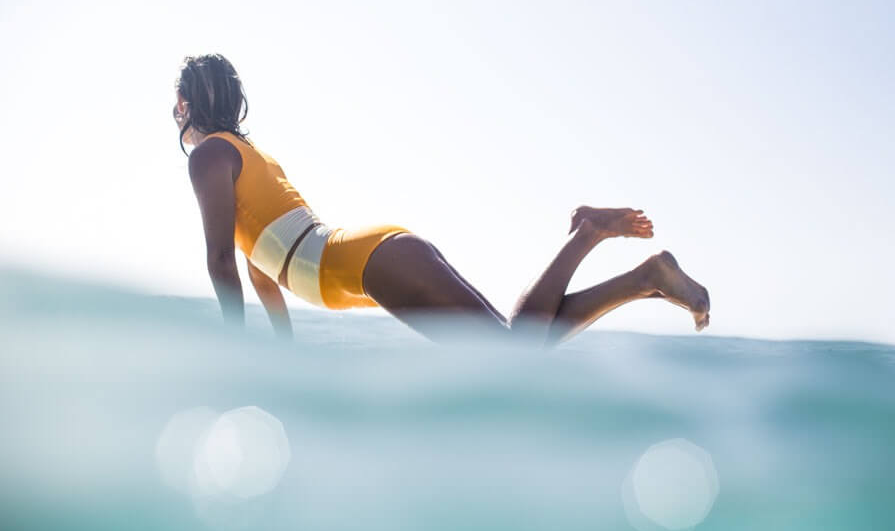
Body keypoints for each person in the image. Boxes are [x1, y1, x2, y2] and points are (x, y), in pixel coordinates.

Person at [174, 53, 710, 347]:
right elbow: (260, 269)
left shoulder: (209, 158)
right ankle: (646, 278)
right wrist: (280, 352)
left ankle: (587, 234)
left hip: (364, 264)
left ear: (184, 106)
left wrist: (232, 351)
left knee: (506, 360)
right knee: (517, 352)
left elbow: (221, 260)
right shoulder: (244, 156)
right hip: (374, 257)